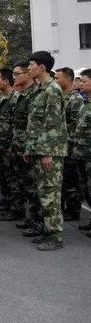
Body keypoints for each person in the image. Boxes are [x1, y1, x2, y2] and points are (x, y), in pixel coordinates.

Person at [24, 51, 68, 250]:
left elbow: (53, 124)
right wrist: (30, 148)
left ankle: (55, 236)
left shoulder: (52, 90)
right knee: (42, 193)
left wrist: (47, 153)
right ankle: (47, 230)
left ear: (42, 67)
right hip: (38, 150)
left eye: (31, 64)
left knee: (50, 195)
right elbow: (35, 124)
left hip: (49, 152)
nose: (29, 68)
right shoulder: (39, 89)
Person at [2, 61, 36, 224]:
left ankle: (36, 221)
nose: (14, 77)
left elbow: (33, 126)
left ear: (28, 74)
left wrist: (29, 148)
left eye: (17, 74)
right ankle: (29, 217)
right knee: (23, 184)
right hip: (18, 146)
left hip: (28, 148)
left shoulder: (34, 95)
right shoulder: (21, 95)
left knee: (32, 186)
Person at [55, 67, 85, 221]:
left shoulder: (75, 99)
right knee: (63, 180)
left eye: (58, 78)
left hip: (70, 146)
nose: (55, 81)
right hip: (60, 146)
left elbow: (74, 126)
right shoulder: (59, 96)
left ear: (67, 79)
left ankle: (73, 211)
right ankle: (64, 208)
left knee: (72, 180)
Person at [0, 68, 17, 215]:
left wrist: (13, 146)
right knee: (1, 175)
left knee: (12, 178)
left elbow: (18, 124)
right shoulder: (0, 98)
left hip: (9, 147)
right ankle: (6, 200)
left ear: (6, 81)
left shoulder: (15, 98)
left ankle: (16, 207)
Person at [72, 69, 91, 235]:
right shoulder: (85, 103)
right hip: (81, 154)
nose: (80, 84)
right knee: (86, 190)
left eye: (84, 81)